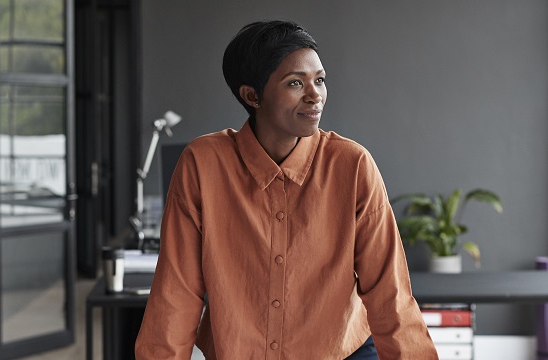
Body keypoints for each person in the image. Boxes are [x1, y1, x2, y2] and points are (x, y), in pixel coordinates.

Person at [135, 20, 437, 359]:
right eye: (295, 82)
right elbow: (176, 293)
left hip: (340, 352)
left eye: (319, 80)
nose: (315, 95)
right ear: (252, 95)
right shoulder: (203, 164)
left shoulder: (352, 165)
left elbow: (390, 295)